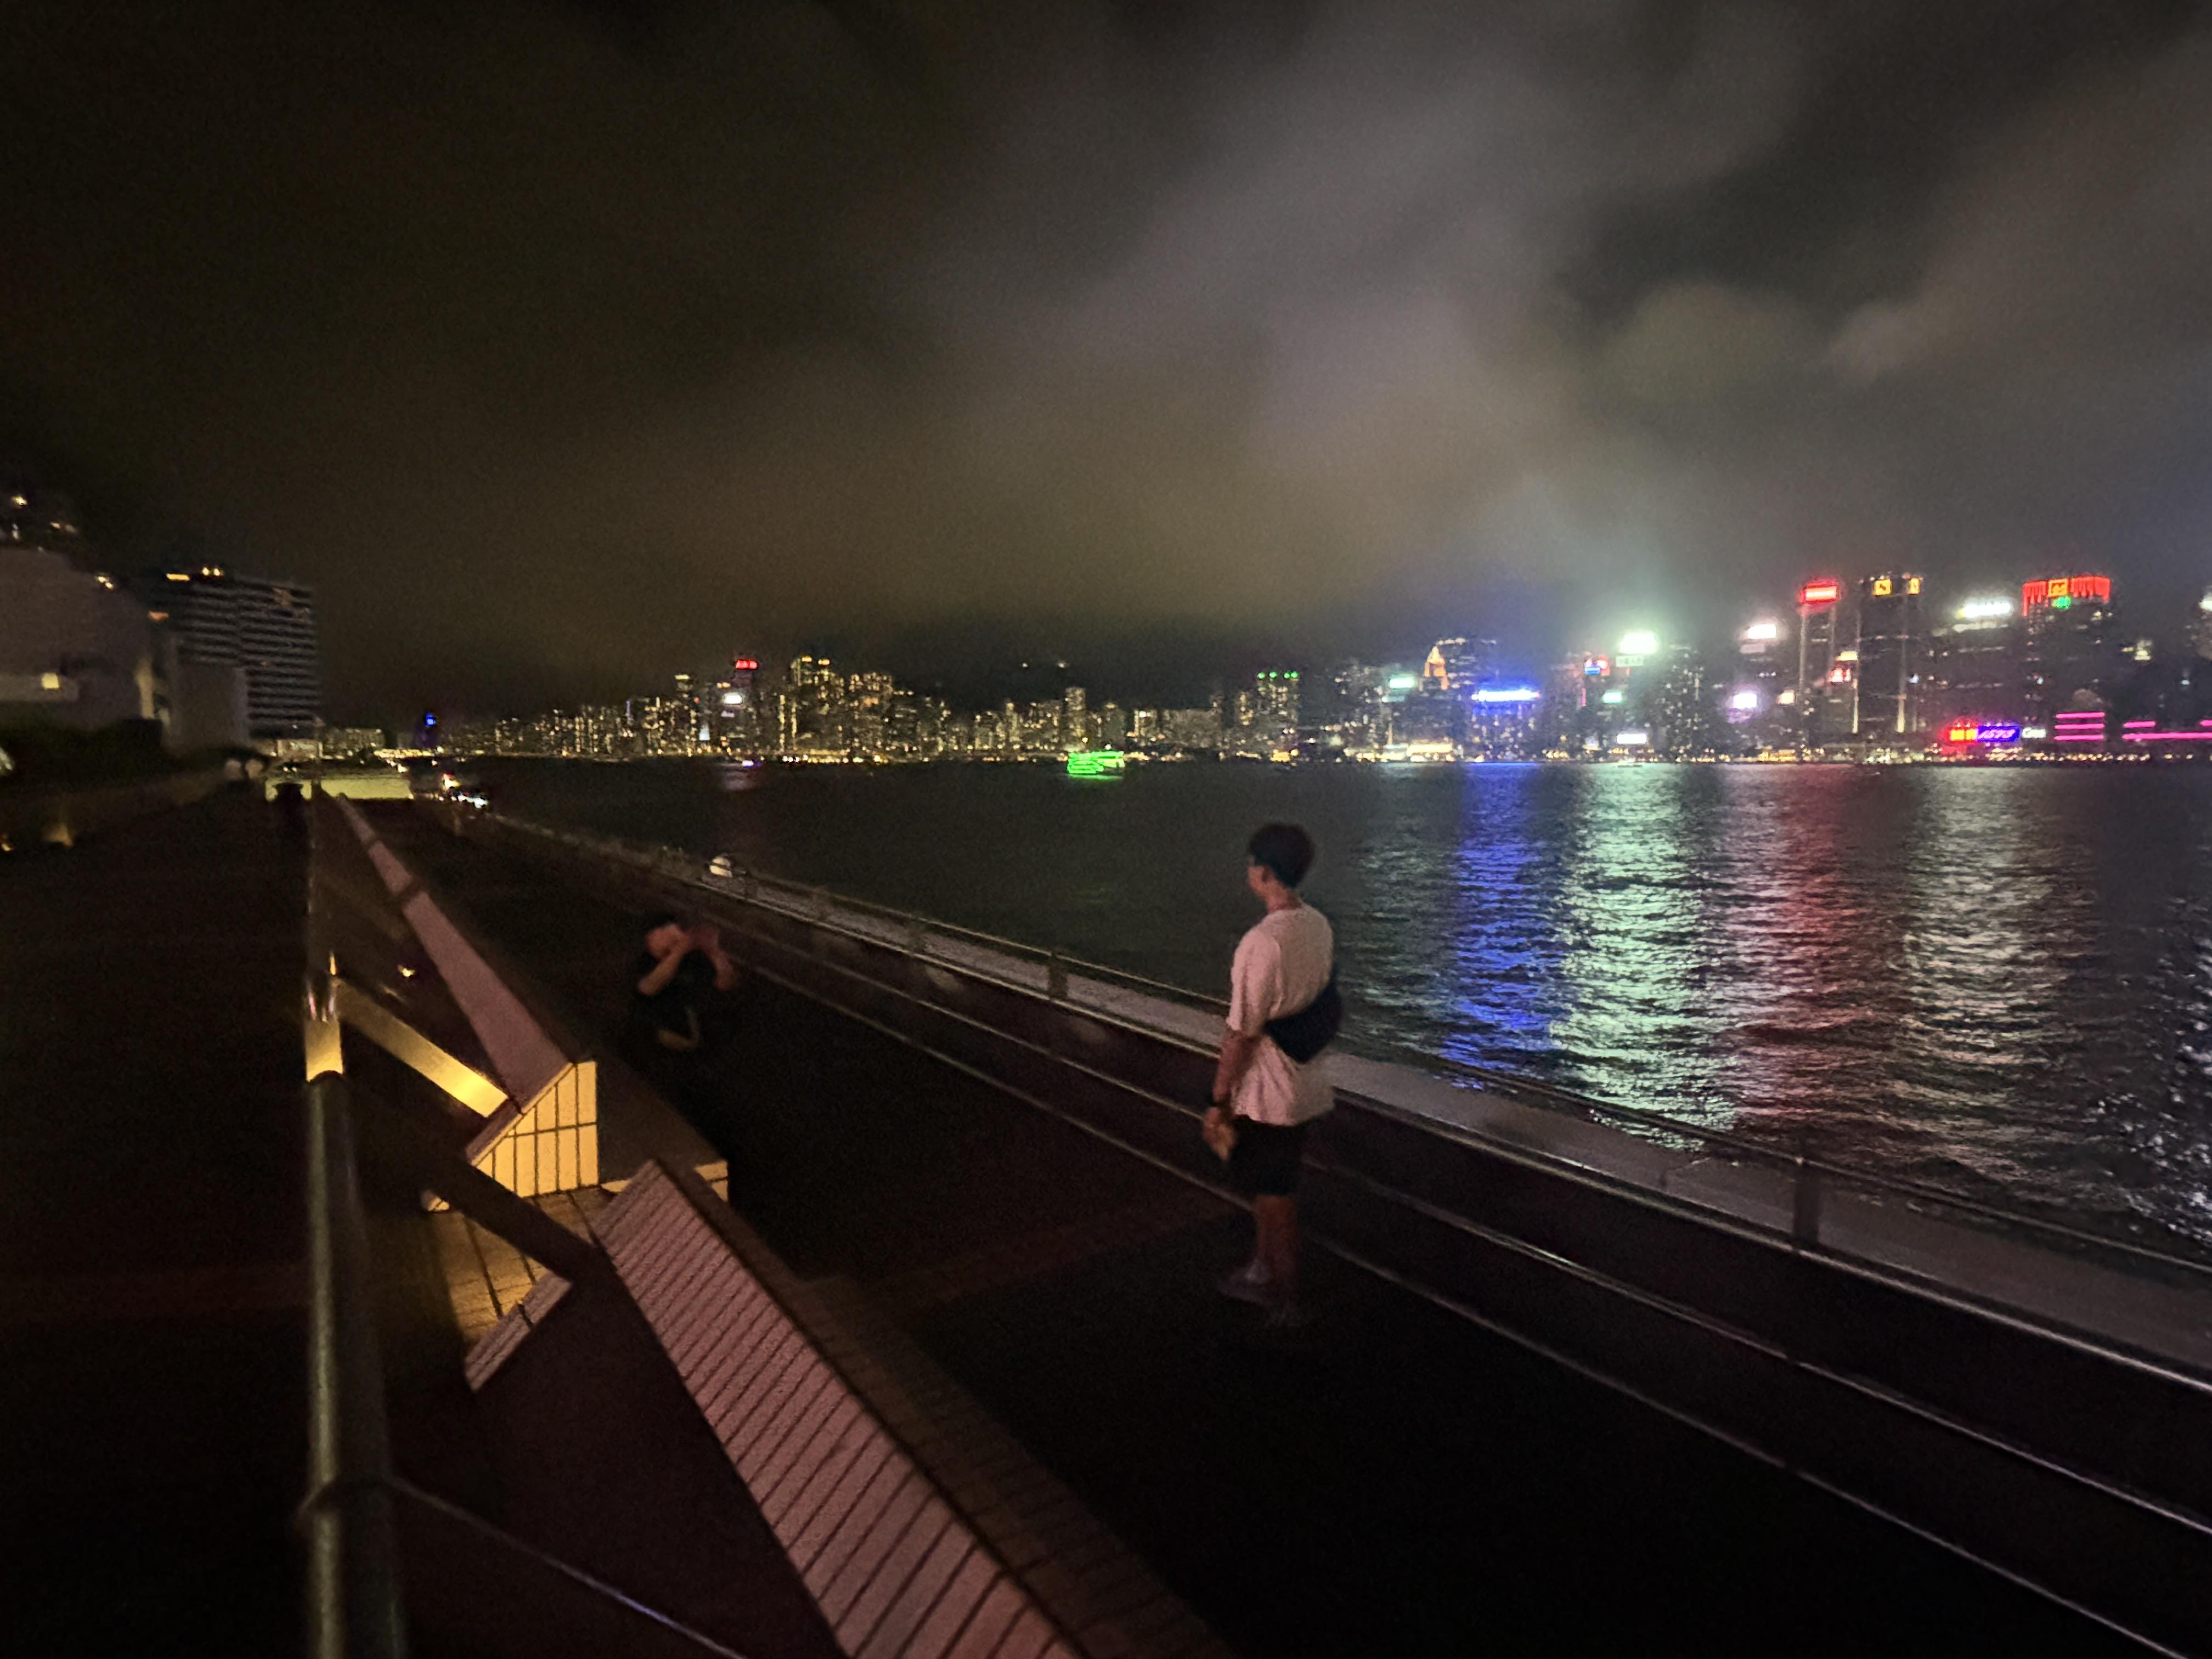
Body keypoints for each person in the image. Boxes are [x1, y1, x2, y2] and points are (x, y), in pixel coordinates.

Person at [1206, 822, 1338, 1328]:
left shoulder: (1261, 944)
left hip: (1269, 1096)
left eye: (1251, 864)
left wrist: (1219, 1099)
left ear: (1263, 872)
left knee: (1276, 1197)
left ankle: (1287, 1302)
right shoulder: (1318, 925)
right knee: (1269, 1187)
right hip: (1309, 1081)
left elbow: (1242, 1034)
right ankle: (1262, 1271)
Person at [627, 911, 740, 1107]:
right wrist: (680, 951)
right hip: (652, 1039)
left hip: (692, 1043)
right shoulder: (644, 960)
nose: (673, 941)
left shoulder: (691, 960)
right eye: (666, 935)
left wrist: (714, 952)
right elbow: (648, 987)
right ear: (652, 937)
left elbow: (726, 983)